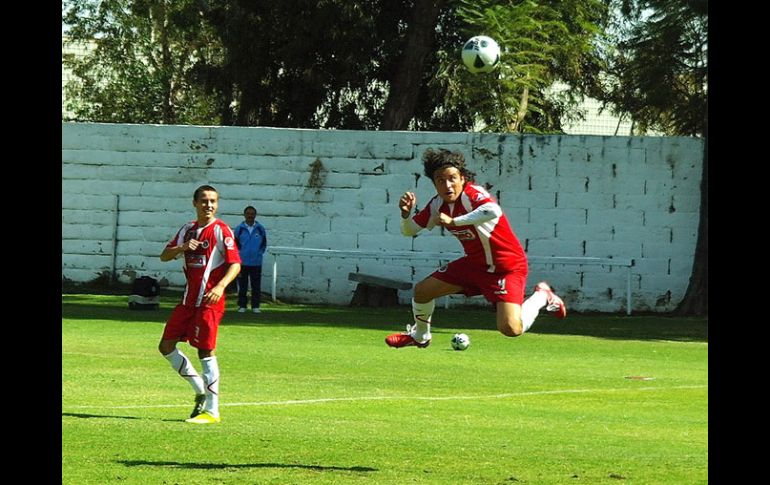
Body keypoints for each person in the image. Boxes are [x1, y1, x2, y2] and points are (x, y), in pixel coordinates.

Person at [385, 148, 566, 348]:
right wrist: (405, 215)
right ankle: (420, 337)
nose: (447, 185)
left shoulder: (472, 194)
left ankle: (542, 296)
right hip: (474, 265)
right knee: (422, 291)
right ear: (434, 183)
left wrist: (454, 221)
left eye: (452, 178)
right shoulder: (437, 205)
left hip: (506, 267)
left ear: (462, 178)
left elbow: (493, 210)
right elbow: (409, 231)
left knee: (511, 329)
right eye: (440, 180)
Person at [158, 185, 241, 423]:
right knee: (165, 346)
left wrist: (220, 286)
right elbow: (164, 256)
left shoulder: (221, 230)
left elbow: (235, 264)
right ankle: (199, 390)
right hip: (187, 301)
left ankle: (212, 411)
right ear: (195, 203)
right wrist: (182, 248)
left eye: (213, 201)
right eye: (204, 201)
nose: (209, 205)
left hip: (209, 301)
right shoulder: (187, 230)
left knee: (205, 350)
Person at [233, 206, 268, 313]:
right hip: (242, 263)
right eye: (248, 213)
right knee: (242, 286)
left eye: (252, 213)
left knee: (256, 286)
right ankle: (242, 306)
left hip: (256, 263)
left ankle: (255, 306)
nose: (250, 215)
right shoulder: (239, 229)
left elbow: (264, 244)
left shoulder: (260, 229)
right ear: (244, 215)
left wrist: (258, 254)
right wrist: (239, 256)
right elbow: (235, 244)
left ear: (255, 215)